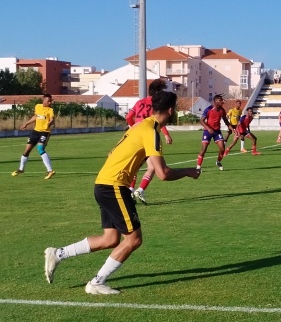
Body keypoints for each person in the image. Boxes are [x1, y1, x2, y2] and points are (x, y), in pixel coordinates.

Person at [43, 91, 201, 295]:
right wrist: (189, 172)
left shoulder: (140, 126)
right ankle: (96, 283)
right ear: (171, 110)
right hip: (113, 186)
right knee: (134, 240)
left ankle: (58, 253)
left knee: (110, 239)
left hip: (104, 183)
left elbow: (114, 152)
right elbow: (163, 173)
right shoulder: (151, 131)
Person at [125, 79, 173, 205]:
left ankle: (131, 188)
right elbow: (157, 121)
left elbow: (128, 117)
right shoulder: (156, 105)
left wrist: (132, 127)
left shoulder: (139, 102)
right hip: (149, 136)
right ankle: (140, 190)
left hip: (135, 137)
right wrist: (167, 135)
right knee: (152, 167)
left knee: (135, 165)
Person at [11, 93, 56, 180]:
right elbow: (35, 117)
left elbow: (52, 119)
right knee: (27, 151)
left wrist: (50, 123)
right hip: (35, 132)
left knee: (40, 149)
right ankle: (21, 169)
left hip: (45, 132)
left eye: (51, 101)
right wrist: (26, 124)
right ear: (43, 100)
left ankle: (50, 171)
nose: (50, 103)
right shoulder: (38, 106)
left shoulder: (50, 110)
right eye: (48, 101)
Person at [196, 94, 234, 171]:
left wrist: (232, 129)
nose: (222, 101)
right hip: (208, 131)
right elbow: (201, 120)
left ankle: (218, 161)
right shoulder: (208, 109)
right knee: (204, 148)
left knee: (222, 148)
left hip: (217, 131)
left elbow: (226, 121)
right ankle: (198, 167)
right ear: (216, 101)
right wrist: (208, 128)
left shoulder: (222, 110)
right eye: (220, 100)